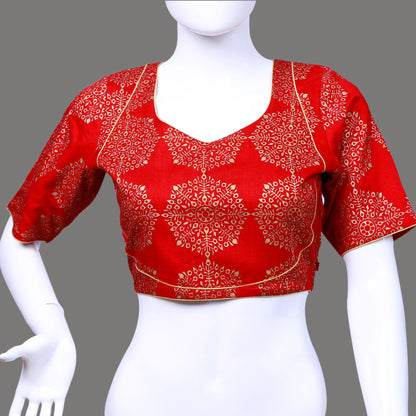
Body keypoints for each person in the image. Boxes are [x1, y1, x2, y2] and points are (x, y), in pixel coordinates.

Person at [0, 1, 415, 415]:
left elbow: (373, 280)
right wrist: (53, 329)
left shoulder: (325, 99)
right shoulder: (107, 104)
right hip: (147, 397)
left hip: (284, 397)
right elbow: (19, 234)